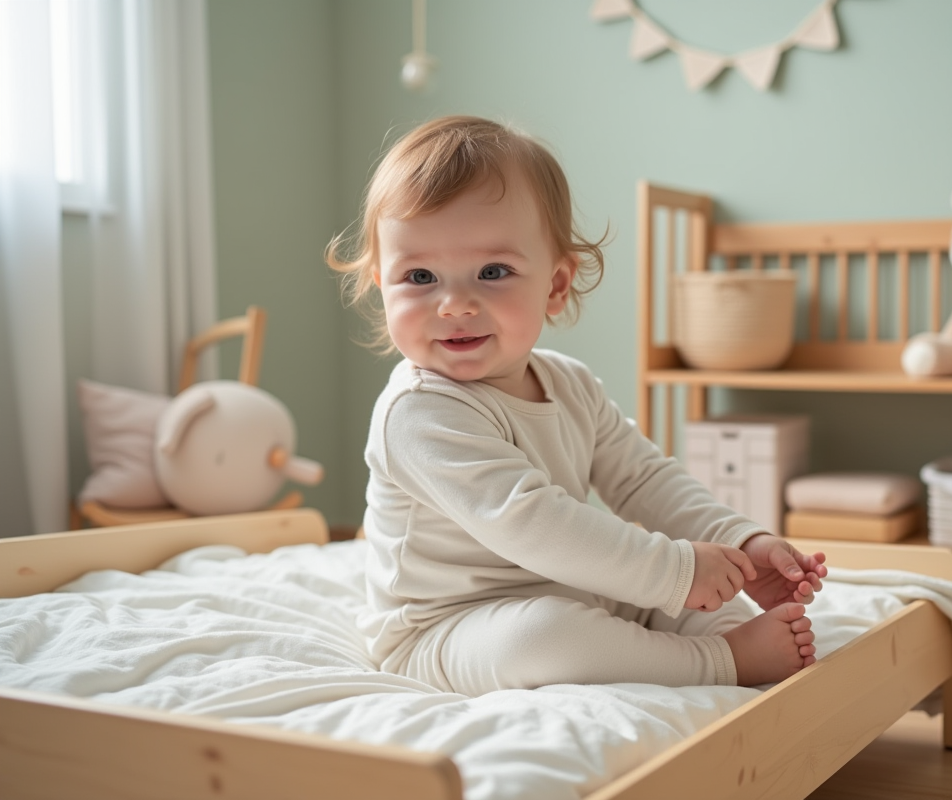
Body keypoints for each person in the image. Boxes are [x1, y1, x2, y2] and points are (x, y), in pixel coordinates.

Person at [328, 115, 827, 696]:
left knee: (700, 605)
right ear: (381, 285)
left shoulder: (569, 382)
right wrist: (677, 570)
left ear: (556, 285)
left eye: (493, 272)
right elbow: (531, 524)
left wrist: (740, 544)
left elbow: (644, 479)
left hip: (575, 586)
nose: (455, 304)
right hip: (447, 628)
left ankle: (716, 642)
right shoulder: (418, 413)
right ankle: (716, 666)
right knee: (545, 636)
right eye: (419, 276)